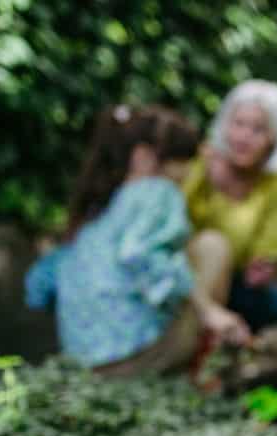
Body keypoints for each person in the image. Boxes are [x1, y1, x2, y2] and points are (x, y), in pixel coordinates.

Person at [26, 104, 250, 375]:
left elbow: (38, 288)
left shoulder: (97, 208)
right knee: (213, 246)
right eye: (183, 162)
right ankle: (201, 370)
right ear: (145, 157)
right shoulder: (157, 191)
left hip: (86, 366)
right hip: (139, 356)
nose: (189, 173)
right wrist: (209, 311)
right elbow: (138, 253)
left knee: (188, 250)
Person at [183, 80, 277, 333]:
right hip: (187, 270)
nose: (244, 137)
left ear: (274, 138)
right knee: (213, 246)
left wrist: (265, 263)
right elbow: (175, 215)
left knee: (275, 305)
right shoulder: (201, 162)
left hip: (237, 280)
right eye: (239, 124)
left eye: (258, 129)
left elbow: (276, 238)